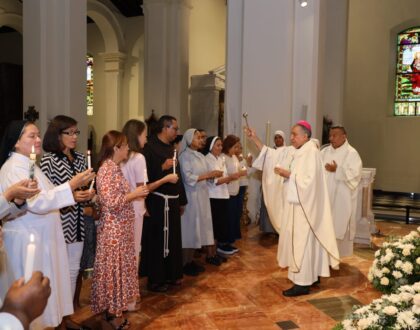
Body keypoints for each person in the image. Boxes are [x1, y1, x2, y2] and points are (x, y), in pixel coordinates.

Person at [0, 120, 94, 329]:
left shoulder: (28, 164)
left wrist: (72, 192)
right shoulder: (13, 168)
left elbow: (45, 195)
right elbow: (37, 202)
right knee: (31, 293)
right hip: (27, 238)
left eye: (38, 135)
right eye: (31, 136)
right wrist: (71, 185)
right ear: (16, 142)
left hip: (40, 235)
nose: (38, 139)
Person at [246, 120, 339, 297]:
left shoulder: (310, 152)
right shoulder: (298, 150)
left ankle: (302, 283)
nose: (291, 138)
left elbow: (308, 181)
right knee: (305, 243)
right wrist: (255, 138)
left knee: (301, 242)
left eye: (294, 134)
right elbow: (272, 155)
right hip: (300, 206)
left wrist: (287, 174)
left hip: (304, 208)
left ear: (305, 136)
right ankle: (311, 277)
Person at [91, 130, 149, 329]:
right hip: (113, 231)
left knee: (118, 272)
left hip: (121, 229)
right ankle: (112, 315)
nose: (127, 149)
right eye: (124, 145)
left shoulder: (114, 168)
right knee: (113, 274)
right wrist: (135, 194)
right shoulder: (106, 169)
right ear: (116, 148)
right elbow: (111, 202)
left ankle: (113, 312)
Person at [40, 115, 95, 315]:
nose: (74, 136)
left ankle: (67, 314)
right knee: (58, 272)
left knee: (73, 272)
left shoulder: (80, 158)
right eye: (69, 132)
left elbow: (85, 189)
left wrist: (90, 194)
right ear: (57, 134)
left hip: (79, 222)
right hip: (61, 223)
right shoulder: (48, 160)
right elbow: (48, 194)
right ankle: (56, 318)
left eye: (76, 132)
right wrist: (72, 195)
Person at [121, 119, 178, 271]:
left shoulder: (121, 158)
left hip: (122, 207)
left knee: (123, 251)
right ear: (136, 136)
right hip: (135, 208)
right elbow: (144, 189)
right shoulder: (139, 158)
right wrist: (166, 178)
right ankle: (130, 290)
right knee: (133, 250)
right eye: (144, 135)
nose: (146, 139)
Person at [140, 115, 187, 293]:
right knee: (157, 241)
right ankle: (156, 279)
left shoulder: (171, 148)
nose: (177, 132)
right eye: (174, 128)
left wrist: (182, 200)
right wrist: (162, 168)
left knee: (173, 239)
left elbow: (178, 176)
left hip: (172, 201)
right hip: (157, 201)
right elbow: (143, 179)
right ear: (164, 128)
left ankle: (172, 274)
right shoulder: (149, 148)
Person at [178, 129, 223, 275]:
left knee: (198, 229)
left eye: (201, 138)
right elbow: (188, 177)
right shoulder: (185, 156)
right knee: (190, 229)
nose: (201, 140)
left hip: (202, 196)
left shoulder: (200, 156)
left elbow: (205, 173)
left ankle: (191, 260)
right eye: (198, 138)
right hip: (191, 197)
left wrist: (212, 176)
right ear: (190, 139)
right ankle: (184, 262)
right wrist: (209, 174)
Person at [321, 126, 362, 258]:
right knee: (324, 225)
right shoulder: (324, 152)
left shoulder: (352, 153)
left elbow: (355, 174)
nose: (330, 138)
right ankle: (322, 257)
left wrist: (337, 170)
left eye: (334, 135)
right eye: (330, 136)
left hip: (341, 199)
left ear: (344, 136)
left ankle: (334, 257)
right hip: (324, 197)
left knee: (337, 226)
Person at [204, 136, 237, 257]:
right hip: (213, 196)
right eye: (217, 145)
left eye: (221, 145)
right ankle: (210, 255)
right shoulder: (207, 159)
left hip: (223, 195)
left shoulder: (220, 159)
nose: (220, 147)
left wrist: (228, 179)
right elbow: (214, 181)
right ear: (211, 146)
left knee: (219, 227)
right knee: (212, 227)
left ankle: (215, 252)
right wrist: (230, 178)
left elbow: (224, 177)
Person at [222, 135, 247, 253]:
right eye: (234, 147)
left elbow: (237, 170)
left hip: (235, 191)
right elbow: (224, 176)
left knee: (234, 218)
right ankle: (224, 243)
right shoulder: (223, 158)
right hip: (227, 193)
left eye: (238, 147)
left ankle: (230, 241)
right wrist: (238, 174)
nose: (236, 149)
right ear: (228, 146)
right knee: (227, 219)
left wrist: (241, 172)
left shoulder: (234, 157)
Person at [259, 130, 286, 234]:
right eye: (276, 137)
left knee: (280, 206)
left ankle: (279, 230)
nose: (278, 139)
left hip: (281, 183)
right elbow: (263, 165)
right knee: (267, 204)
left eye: (280, 137)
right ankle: (267, 229)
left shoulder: (287, 151)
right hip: (270, 182)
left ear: (283, 139)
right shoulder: (269, 151)